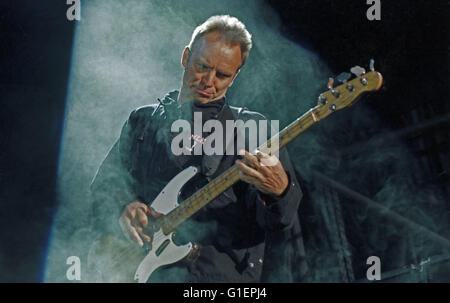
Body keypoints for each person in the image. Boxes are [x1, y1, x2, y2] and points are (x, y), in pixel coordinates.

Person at [89, 15, 308, 282]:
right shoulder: (143, 121)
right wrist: (123, 207)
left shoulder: (252, 130)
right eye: (202, 66)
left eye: (223, 75)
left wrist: (280, 191)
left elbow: (279, 222)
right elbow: (103, 189)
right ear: (185, 58)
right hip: (136, 271)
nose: (209, 81)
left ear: (235, 76)